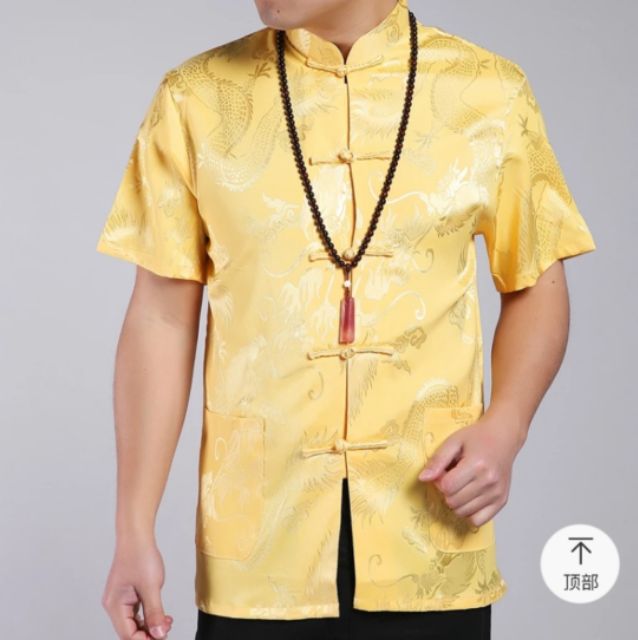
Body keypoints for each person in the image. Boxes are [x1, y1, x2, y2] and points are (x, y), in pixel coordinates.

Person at [97, 1, 597, 638]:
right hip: (258, 553)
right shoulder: (194, 98)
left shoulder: (490, 91)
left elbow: (536, 283)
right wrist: (133, 530)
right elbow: (160, 318)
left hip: (430, 527)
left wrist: (507, 425)